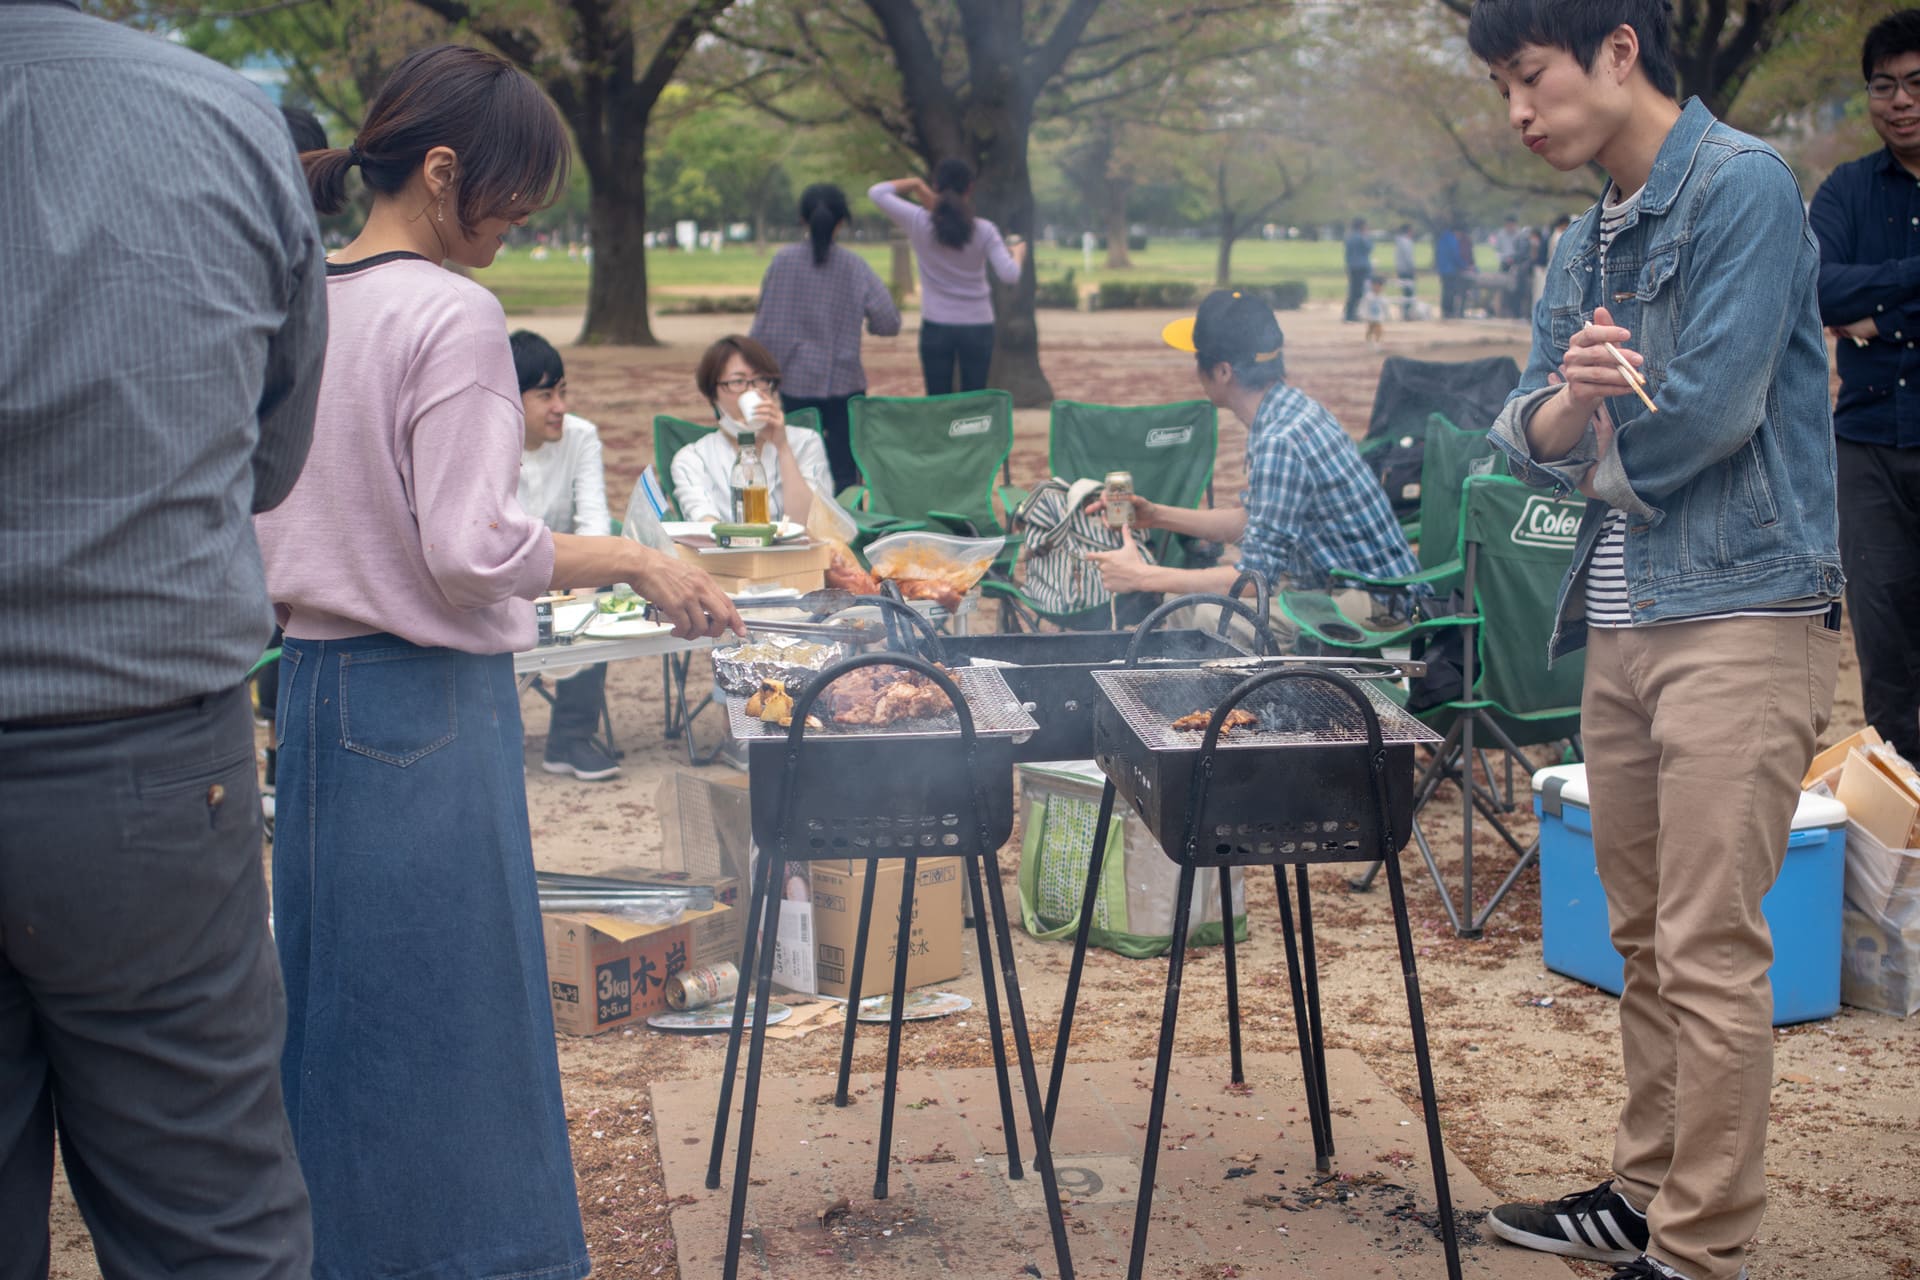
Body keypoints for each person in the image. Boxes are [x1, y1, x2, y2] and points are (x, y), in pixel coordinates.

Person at [255, 44, 742, 1280]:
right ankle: (488, 1257)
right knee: (458, 1011)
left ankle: (345, 1252)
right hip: (420, 700)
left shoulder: (305, 290)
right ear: (439, 170)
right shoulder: (450, 313)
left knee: (338, 1009)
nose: (518, 227)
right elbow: (470, 548)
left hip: (306, 685)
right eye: (513, 197)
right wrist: (633, 560)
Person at [1471, 5, 1844, 1280]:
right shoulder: (1584, 237)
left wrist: (1587, 440)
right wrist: (1572, 404)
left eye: (1530, 77)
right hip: (1620, 620)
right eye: (1504, 89)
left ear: (1616, 51)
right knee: (1641, 939)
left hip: (1741, 611)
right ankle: (1642, 1189)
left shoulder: (1742, 186)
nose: (1518, 112)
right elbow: (1519, 424)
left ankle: (1700, 1245)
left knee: (1707, 943)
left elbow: (1719, 412)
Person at [1, 2, 324, 1275]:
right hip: (140, 758)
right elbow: (272, 452)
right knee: (208, 1223)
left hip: (140, 744)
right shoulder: (224, 121)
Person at [1085, 290, 1419, 651]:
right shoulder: (1289, 410)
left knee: (1208, 619)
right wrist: (1156, 515)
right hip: (1348, 587)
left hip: (1379, 605)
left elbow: (1253, 579)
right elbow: (1251, 520)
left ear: (1223, 371)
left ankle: (1247, 708)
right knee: (1183, 605)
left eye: (1198, 358)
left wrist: (1141, 576)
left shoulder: (1280, 440)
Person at [1808, 8, 1920, 764]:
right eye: (1884, 86)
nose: (1900, 101)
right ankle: (1905, 822)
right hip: (1869, 444)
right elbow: (1815, 291)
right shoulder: (1846, 191)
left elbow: (1851, 300)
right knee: (1883, 643)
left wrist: (1876, 316)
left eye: (1916, 84)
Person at [510, 329, 621, 782]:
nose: (560, 406)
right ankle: (500, 740)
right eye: (545, 395)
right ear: (508, 399)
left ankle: (571, 738)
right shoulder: (483, 441)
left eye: (563, 391)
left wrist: (582, 590)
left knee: (609, 581)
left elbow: (595, 522)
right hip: (505, 576)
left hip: (566, 570)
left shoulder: (581, 436)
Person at [750, 183, 902, 493]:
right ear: (841, 222)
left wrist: (765, 377)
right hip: (846, 385)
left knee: (798, 466)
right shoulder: (855, 266)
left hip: (796, 384)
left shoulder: (783, 263)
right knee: (845, 474)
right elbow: (889, 320)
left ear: (802, 220)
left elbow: (767, 329)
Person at [870, 161, 1026, 395]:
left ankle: (941, 433)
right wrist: (1019, 254)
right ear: (970, 188)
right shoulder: (984, 229)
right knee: (973, 398)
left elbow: (877, 192)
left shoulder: (918, 220)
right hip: (978, 324)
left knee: (937, 399)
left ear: (936, 185)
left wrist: (915, 184)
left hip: (937, 323)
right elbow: (1009, 275)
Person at [672, 335, 833, 526]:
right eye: (738, 382)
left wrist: (782, 448)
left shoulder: (805, 442)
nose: (753, 391)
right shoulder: (693, 459)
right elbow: (706, 527)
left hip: (797, 554)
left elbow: (811, 525)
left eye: (761, 380)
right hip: (727, 555)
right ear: (713, 394)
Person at [1343, 216, 1374, 322]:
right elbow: (1369, 248)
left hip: (1352, 267)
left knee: (1353, 292)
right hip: (1362, 267)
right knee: (1359, 292)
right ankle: (1353, 314)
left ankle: (1349, 313)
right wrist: (1367, 236)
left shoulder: (1349, 237)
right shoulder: (1361, 237)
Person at [1435, 224, 1469, 319]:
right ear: (1457, 232)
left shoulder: (1442, 239)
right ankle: (1449, 311)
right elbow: (1455, 256)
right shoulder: (1452, 240)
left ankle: (1445, 311)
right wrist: (1464, 266)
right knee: (1450, 291)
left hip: (1442, 269)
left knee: (1445, 291)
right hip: (1450, 270)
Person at [1393, 223, 1420, 320]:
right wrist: (1413, 268)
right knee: (1409, 292)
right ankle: (1407, 313)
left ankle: (1405, 312)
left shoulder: (1399, 241)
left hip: (1401, 269)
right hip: (1407, 270)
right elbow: (1409, 257)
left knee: (1405, 292)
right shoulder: (1406, 242)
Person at [1361, 275, 1390, 348]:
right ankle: (1369, 342)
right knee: (1370, 330)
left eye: (1379, 286)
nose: (1377, 288)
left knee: (1379, 330)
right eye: (1375, 286)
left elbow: (1385, 308)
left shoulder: (1383, 298)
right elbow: (1364, 306)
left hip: (1379, 317)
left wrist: (1387, 316)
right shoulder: (1368, 297)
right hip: (1370, 317)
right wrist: (1363, 314)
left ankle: (1377, 342)